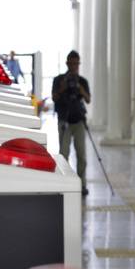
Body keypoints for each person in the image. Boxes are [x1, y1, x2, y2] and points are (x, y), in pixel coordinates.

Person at [51, 50, 90, 193]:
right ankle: (64, 183)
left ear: (79, 64)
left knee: (82, 155)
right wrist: (63, 88)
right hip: (64, 120)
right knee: (63, 154)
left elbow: (88, 100)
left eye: (76, 64)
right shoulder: (58, 80)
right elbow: (54, 98)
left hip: (78, 120)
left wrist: (80, 89)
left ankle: (82, 184)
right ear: (67, 63)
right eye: (71, 63)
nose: (73, 66)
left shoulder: (83, 81)